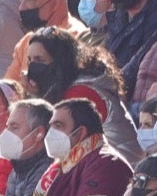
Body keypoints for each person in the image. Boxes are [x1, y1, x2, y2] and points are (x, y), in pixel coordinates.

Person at [21, 27, 141, 161]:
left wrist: (38, 100)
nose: (32, 67)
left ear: (59, 61)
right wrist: (36, 94)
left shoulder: (81, 92)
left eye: (39, 60)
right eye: (30, 60)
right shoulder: (66, 87)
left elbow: (60, 142)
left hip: (119, 165)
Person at [30, 96, 134, 196]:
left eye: (58, 126)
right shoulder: (65, 164)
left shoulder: (105, 165)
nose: (50, 133)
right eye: (51, 127)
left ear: (81, 132)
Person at [0, 97, 54, 196]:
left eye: (14, 127)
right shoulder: (18, 167)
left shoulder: (46, 171)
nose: (6, 133)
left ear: (38, 134)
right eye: (7, 127)